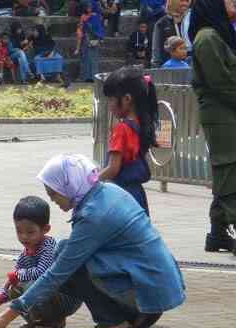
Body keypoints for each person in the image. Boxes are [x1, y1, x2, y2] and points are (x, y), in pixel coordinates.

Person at [0, 154, 186, 328]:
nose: (53, 200)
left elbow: (58, 273)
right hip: (159, 282)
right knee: (64, 249)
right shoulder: (109, 191)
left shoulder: (93, 215)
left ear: (69, 185)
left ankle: (113, 322)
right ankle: (136, 314)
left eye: (54, 193)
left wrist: (7, 316)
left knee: (67, 261)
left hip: (149, 285)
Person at [0, 196, 82, 328]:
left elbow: (43, 273)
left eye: (30, 232)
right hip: (49, 295)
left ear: (45, 229)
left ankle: (52, 321)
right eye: (19, 231)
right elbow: (13, 279)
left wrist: (17, 275)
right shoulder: (26, 253)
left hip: (66, 297)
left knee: (27, 283)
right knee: (16, 286)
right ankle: (43, 320)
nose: (24, 237)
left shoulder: (49, 247)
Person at [188, 0, 236, 253]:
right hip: (221, 116)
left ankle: (218, 233)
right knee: (230, 169)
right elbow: (222, 83)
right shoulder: (207, 38)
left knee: (226, 172)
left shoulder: (218, 34)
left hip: (225, 113)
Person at [99, 67, 158, 215]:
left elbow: (113, 169)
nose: (109, 104)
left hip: (121, 196)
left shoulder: (121, 129)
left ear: (127, 99)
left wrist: (90, 181)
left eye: (111, 99)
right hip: (137, 194)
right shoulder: (142, 124)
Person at [151, 0, 191, 68]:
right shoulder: (162, 23)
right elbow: (156, 51)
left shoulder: (192, 19)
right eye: (181, 1)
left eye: (187, 1)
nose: (184, 4)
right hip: (168, 69)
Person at [75, 0, 105, 83]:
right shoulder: (83, 17)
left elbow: (100, 28)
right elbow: (80, 28)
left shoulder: (97, 16)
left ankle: (94, 77)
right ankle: (84, 77)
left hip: (94, 40)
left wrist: (100, 38)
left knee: (93, 59)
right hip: (85, 40)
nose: (89, 8)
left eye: (90, 6)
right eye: (87, 6)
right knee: (84, 59)